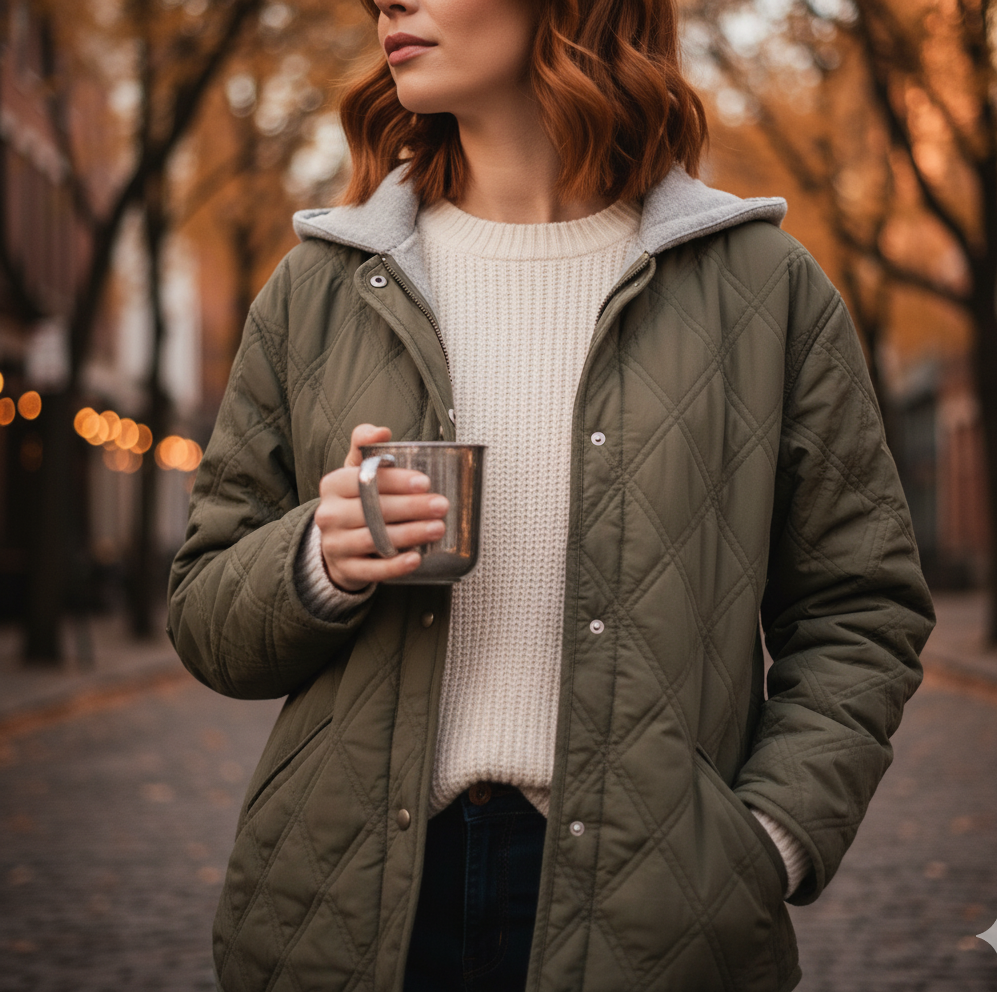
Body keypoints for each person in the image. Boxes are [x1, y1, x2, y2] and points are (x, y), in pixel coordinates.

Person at [166, 0, 935, 989]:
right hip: (346, 912)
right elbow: (202, 610)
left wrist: (764, 838)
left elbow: (861, 606)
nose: (387, 2)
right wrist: (320, 557)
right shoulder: (317, 289)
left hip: (649, 914)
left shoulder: (766, 291)